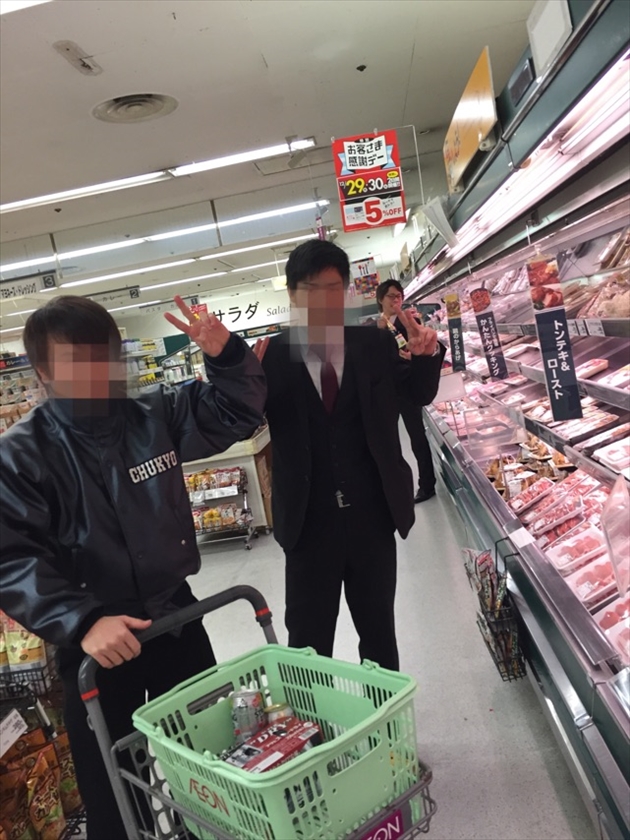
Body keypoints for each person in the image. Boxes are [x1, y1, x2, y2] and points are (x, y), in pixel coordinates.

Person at [0, 295, 266, 840]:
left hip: (178, 621)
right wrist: (80, 620)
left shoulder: (154, 414)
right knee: (115, 797)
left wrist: (226, 357)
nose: (95, 372)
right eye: (76, 360)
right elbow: (10, 556)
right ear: (45, 373)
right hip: (96, 646)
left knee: (212, 767)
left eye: (104, 355)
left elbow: (237, 414)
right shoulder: (21, 455)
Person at [254, 240, 444, 671]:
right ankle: (312, 716)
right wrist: (231, 376)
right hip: (306, 524)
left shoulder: (373, 344)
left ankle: (387, 714)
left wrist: (426, 356)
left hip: (372, 517)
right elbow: (243, 423)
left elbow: (416, 393)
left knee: (379, 636)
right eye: (311, 290)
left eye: (333, 289)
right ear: (292, 295)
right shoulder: (272, 358)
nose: (323, 301)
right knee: (307, 646)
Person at [376, 279, 438, 502]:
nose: (396, 300)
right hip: (385, 390)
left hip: (408, 387)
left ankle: (427, 485)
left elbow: (424, 353)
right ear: (380, 299)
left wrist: (416, 357)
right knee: (388, 440)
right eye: (391, 296)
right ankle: (393, 488)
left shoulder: (411, 322)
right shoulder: (375, 327)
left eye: (399, 296)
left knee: (417, 437)